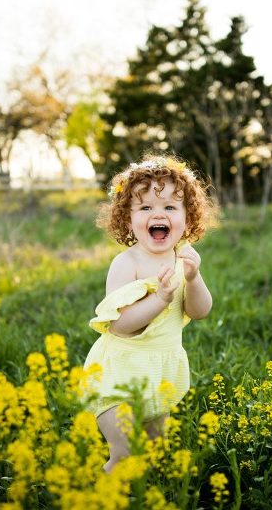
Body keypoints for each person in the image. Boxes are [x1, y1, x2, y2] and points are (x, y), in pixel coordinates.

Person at [84, 154, 218, 472]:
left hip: (160, 375)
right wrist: (158, 299)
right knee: (125, 455)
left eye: (170, 207)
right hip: (119, 377)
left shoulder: (182, 260)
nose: (158, 214)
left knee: (156, 453)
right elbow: (120, 325)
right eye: (145, 208)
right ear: (128, 220)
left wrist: (193, 278)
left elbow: (200, 311)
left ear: (188, 218)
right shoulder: (126, 264)